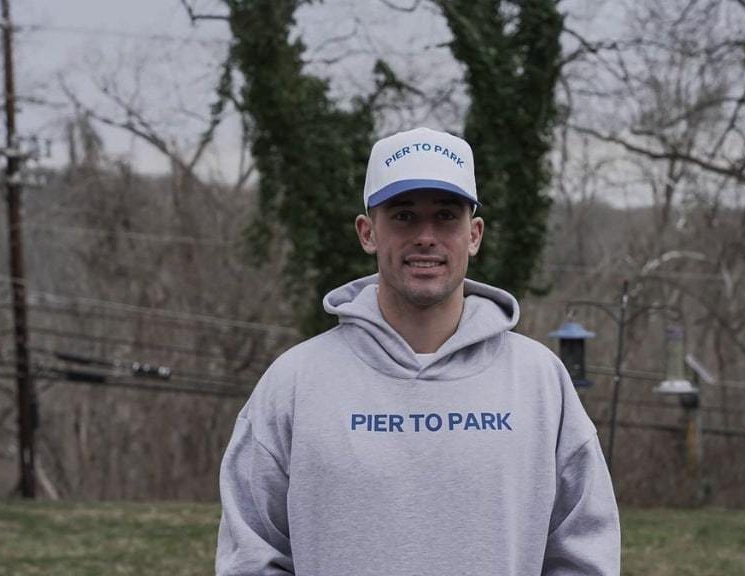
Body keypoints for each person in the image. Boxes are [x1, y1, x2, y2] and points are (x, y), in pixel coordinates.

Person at [216, 127, 621, 575]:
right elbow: (251, 555)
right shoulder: (295, 381)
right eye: (404, 216)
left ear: (474, 234)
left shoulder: (539, 380)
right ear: (368, 232)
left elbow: (585, 553)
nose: (426, 236)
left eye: (446, 216)